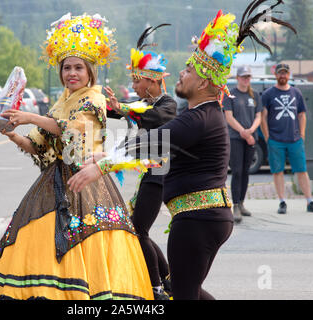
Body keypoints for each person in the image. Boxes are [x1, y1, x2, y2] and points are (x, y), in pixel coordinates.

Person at [68, 3, 296, 300]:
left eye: (187, 70)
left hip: (197, 220)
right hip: (201, 218)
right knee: (186, 291)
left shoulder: (199, 118)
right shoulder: (202, 114)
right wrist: (104, 156)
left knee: (183, 294)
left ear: (203, 81)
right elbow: (155, 143)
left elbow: (156, 140)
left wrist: (101, 165)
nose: (180, 74)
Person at [0, 13, 153, 300]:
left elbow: (70, 131)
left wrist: (30, 116)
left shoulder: (94, 98)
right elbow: (38, 145)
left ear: (90, 72)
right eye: (67, 67)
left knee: (85, 251)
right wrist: (11, 132)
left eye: (78, 68)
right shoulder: (61, 100)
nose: (72, 73)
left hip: (87, 182)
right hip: (52, 182)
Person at [104, 25, 177, 299]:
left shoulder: (168, 105)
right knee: (139, 228)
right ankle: (168, 279)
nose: (133, 86)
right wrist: (99, 104)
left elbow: (153, 117)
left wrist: (122, 108)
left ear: (152, 81)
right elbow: (126, 111)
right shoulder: (144, 104)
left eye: (137, 81)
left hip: (160, 176)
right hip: (150, 175)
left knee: (138, 229)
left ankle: (157, 285)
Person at [261, 63, 313, 214]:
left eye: (285, 73)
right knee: (278, 171)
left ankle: (309, 202)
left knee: (302, 170)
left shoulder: (296, 92)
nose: (283, 76)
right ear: (276, 75)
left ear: (289, 75)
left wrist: (301, 134)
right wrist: (267, 137)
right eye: (280, 73)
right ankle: (282, 202)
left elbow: (302, 114)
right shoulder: (268, 94)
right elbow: (263, 116)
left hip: (295, 139)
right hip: (276, 139)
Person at [223, 66, 262, 223]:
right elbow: (229, 117)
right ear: (238, 78)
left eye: (248, 77)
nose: (246, 79)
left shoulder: (255, 95)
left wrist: (251, 131)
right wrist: (243, 132)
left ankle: (242, 202)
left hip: (251, 138)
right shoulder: (230, 95)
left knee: (246, 171)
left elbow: (259, 116)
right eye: (243, 76)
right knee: (237, 171)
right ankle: (236, 205)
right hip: (236, 138)